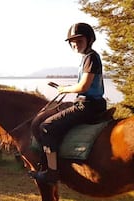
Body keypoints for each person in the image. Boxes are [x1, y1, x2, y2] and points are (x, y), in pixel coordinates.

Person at [31, 22, 106, 184]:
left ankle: (51, 172)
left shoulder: (91, 57)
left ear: (89, 40)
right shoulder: (87, 57)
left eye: (79, 40)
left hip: (87, 106)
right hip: (91, 104)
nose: (75, 44)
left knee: (46, 127)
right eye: (72, 41)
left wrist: (64, 89)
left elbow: (83, 86)